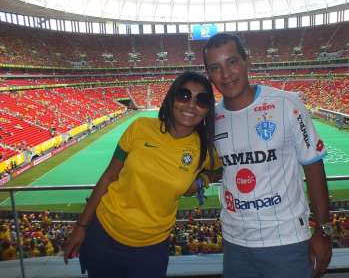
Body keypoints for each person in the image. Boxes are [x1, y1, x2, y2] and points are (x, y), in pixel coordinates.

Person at [63, 71, 219, 278]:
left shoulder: (205, 149)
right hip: (104, 233)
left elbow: (219, 170)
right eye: (184, 95)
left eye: (202, 100)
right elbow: (109, 175)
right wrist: (81, 226)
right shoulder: (140, 127)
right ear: (172, 98)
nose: (191, 104)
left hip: (152, 247)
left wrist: (201, 181)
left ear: (208, 108)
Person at [202, 33, 332, 278]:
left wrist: (323, 231)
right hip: (234, 243)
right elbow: (222, 167)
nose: (226, 74)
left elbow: (313, 166)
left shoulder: (286, 103)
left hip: (287, 241)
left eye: (232, 62)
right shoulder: (212, 119)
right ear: (209, 74)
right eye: (215, 68)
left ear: (246, 61)